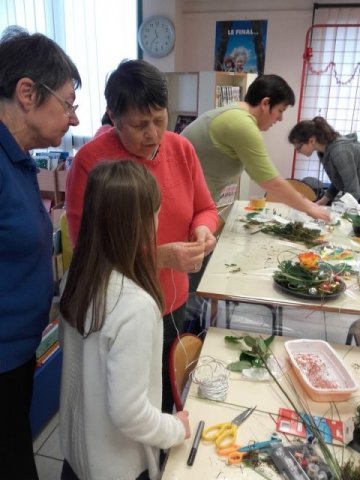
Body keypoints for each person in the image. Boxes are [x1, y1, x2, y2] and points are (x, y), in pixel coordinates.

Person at [66, 59, 218, 414]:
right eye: (139, 125)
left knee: (167, 399)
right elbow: (87, 250)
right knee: (128, 407)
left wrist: (203, 229)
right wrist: (161, 257)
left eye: (159, 119)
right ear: (113, 117)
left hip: (172, 303)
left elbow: (206, 208)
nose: (152, 133)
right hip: (120, 310)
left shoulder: (180, 148)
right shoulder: (92, 162)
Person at [60, 160, 190, 480]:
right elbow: (129, 412)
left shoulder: (74, 279)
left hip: (78, 455)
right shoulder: (135, 307)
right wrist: (175, 428)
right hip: (119, 467)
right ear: (142, 223)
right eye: (157, 213)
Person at [0, 30, 81, 480]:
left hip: (17, 352)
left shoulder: (19, 156)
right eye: (67, 103)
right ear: (27, 93)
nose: (73, 118)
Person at [181, 74, 330, 225]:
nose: (280, 119)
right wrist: (309, 208)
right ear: (265, 103)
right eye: (280, 110)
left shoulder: (236, 114)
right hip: (183, 204)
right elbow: (271, 181)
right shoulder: (241, 123)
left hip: (194, 203)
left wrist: (308, 204)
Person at [288, 116, 360, 205]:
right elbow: (338, 180)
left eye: (298, 147)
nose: (298, 152)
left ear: (311, 141)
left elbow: (353, 192)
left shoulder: (340, 151)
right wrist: (323, 201)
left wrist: (337, 209)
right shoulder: (322, 152)